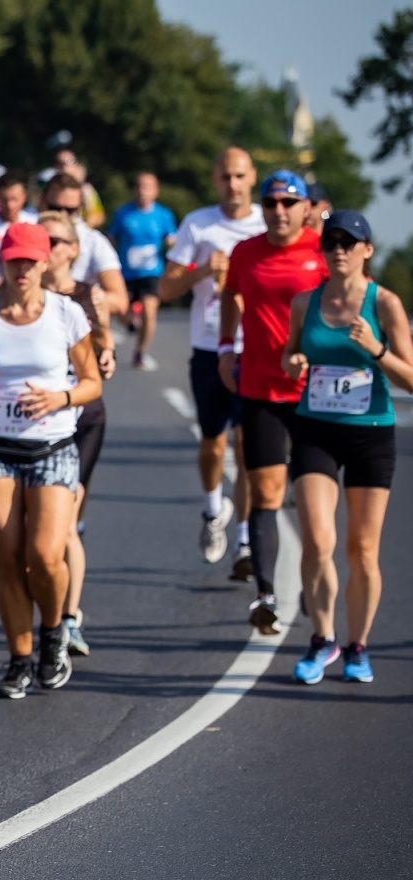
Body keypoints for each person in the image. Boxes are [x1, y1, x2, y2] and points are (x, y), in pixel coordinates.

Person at [0, 223, 102, 698]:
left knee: (44, 555)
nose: (21, 269)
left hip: (52, 448)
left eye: (30, 260)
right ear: (2, 263)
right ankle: (19, 659)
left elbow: (91, 383)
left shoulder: (66, 314)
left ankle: (54, 632)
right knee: (8, 560)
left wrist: (59, 398)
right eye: (13, 260)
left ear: (45, 262)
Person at [281, 210, 413, 682]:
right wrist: (293, 362)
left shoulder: (385, 303)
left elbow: (411, 378)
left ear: (366, 250)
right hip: (315, 429)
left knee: (362, 550)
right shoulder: (305, 302)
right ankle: (322, 639)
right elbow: (290, 352)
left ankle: (358, 647)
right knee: (318, 539)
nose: (337, 249)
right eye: (330, 242)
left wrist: (376, 349)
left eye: (348, 242)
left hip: (370, 432)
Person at [218, 170, 329, 634]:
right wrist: (226, 346)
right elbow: (230, 294)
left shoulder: (324, 253)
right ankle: (265, 595)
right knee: (265, 493)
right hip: (260, 388)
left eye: (288, 203)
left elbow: (348, 305)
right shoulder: (246, 252)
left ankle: (312, 581)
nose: (278, 211)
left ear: (306, 208)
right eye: (270, 203)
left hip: (315, 394)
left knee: (312, 503)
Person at [162, 147, 266, 573]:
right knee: (213, 444)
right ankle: (212, 509)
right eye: (226, 176)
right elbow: (166, 289)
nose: (233, 184)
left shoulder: (268, 221)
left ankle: (244, 541)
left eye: (240, 176)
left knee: (245, 444)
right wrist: (203, 270)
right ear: (215, 179)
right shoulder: (198, 224)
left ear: (252, 177)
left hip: (255, 347)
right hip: (208, 347)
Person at [39, 210, 116, 656]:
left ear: (73, 249)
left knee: (65, 520)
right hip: (36, 424)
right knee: (40, 528)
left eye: (56, 241)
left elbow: (104, 342)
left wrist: (107, 357)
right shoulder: (25, 297)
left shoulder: (89, 295)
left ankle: (69, 619)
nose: (48, 248)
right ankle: (49, 612)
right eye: (42, 240)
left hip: (82, 419)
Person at [107, 172, 177, 371]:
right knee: (121, 313)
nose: (142, 191)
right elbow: (110, 238)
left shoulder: (164, 215)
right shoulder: (123, 214)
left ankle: (140, 351)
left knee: (150, 310)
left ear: (156, 191)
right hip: (126, 273)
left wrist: (172, 246)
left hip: (151, 272)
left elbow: (172, 239)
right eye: (139, 186)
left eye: (147, 187)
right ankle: (131, 319)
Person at [42, 172, 127, 317]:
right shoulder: (26, 234)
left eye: (70, 210)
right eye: (55, 208)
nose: (62, 215)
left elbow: (119, 300)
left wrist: (70, 301)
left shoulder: (94, 241)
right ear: (42, 201)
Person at [54, 148, 106, 230]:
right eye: (60, 163)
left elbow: (98, 216)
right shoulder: (50, 190)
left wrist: (83, 227)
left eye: (69, 161)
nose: (64, 166)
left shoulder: (87, 190)